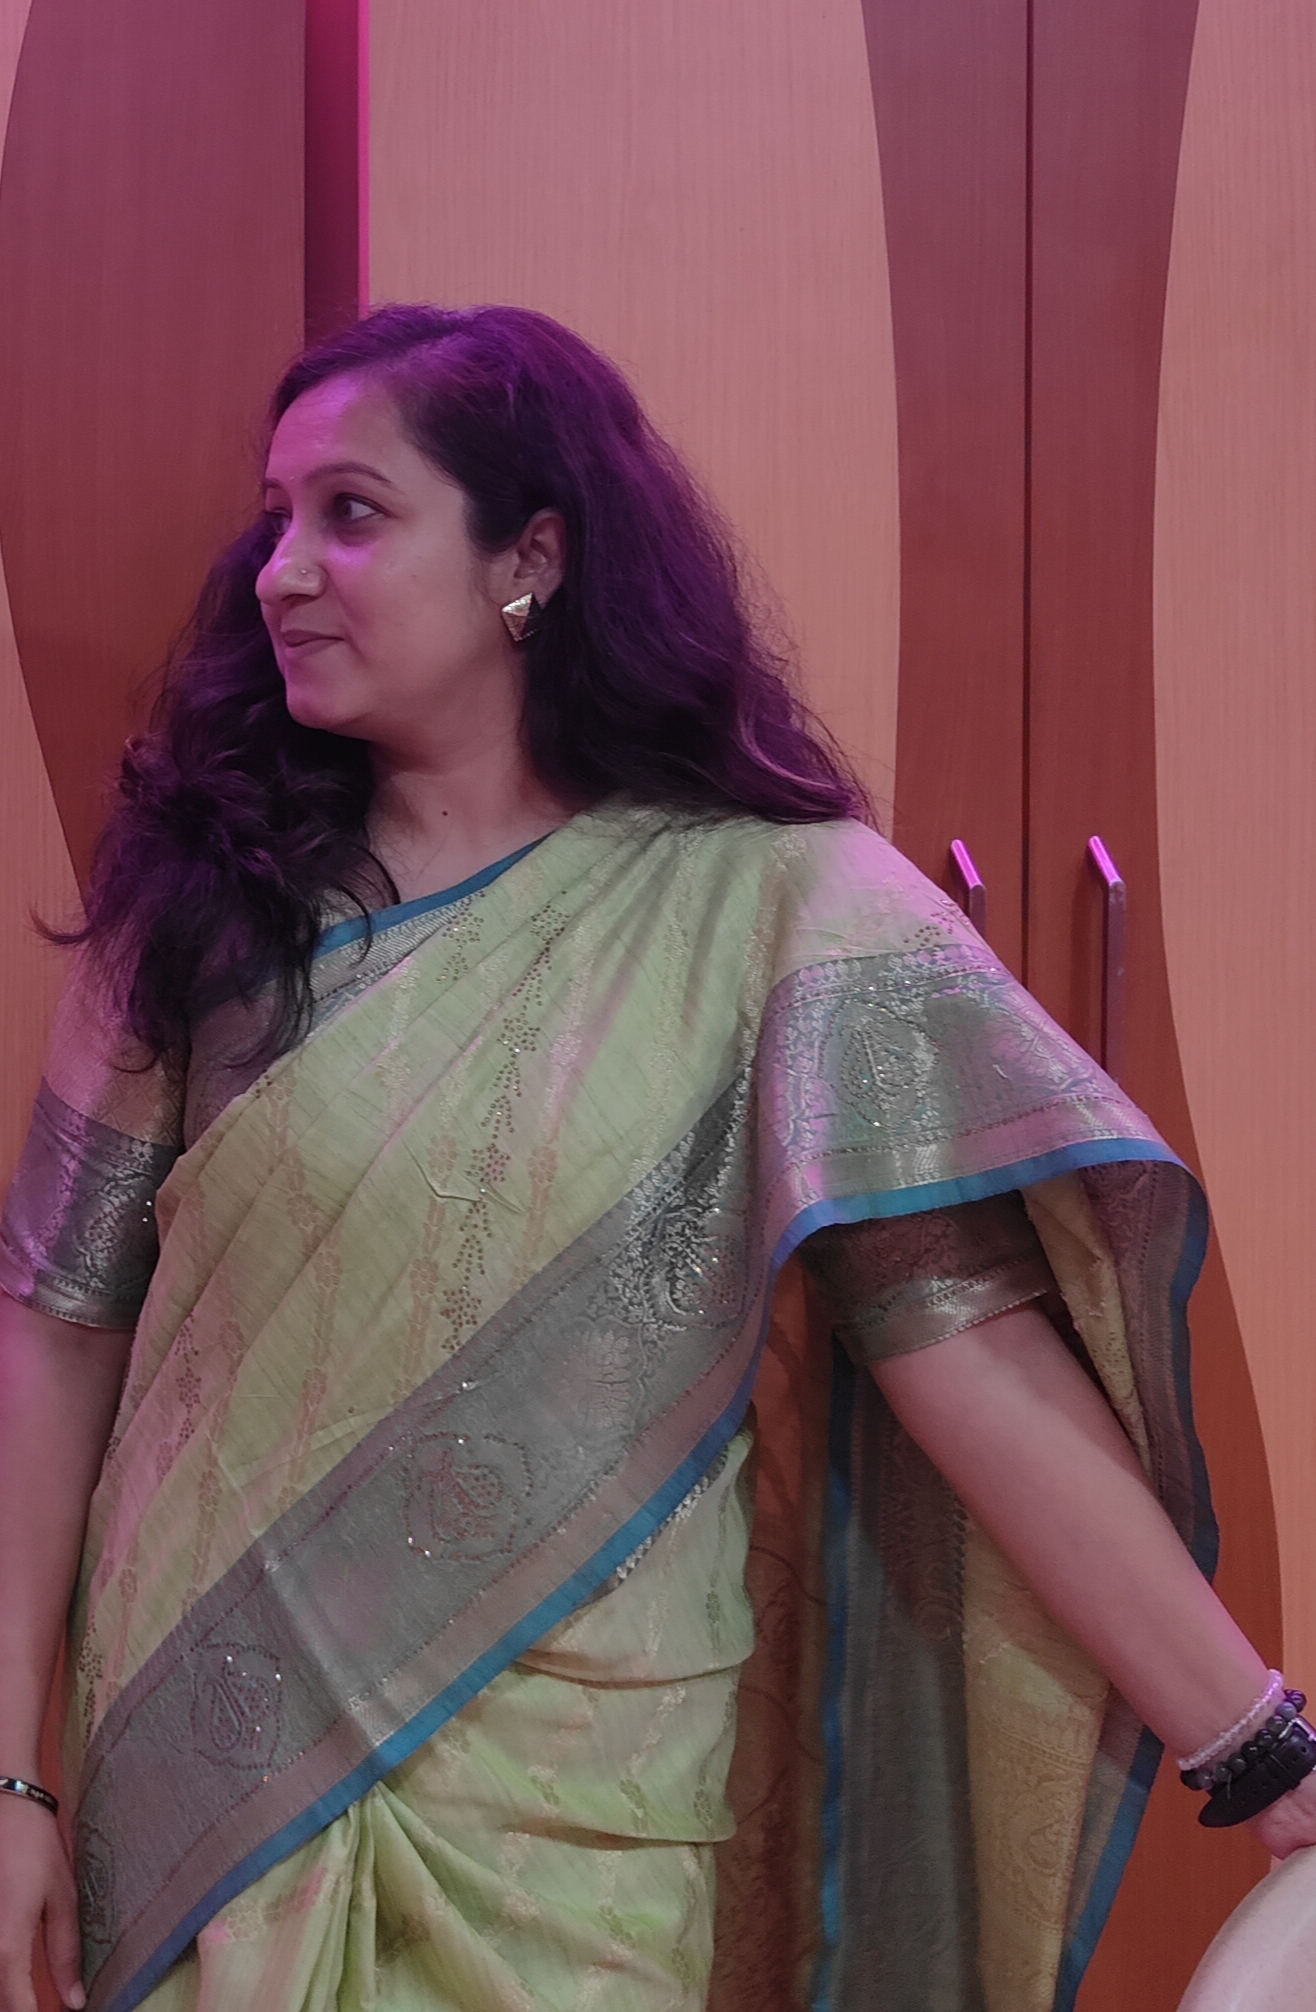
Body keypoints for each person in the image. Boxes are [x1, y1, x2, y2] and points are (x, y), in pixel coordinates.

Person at [0, 305, 1311, 2012]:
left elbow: (965, 1346)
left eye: (354, 514)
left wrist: (1260, 1747)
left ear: (529, 560)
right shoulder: (206, 907)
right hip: (212, 1797)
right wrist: (10, 1778)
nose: (282, 572)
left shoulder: (767, 911)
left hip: (579, 1818)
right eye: (278, 516)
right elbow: (57, 1325)